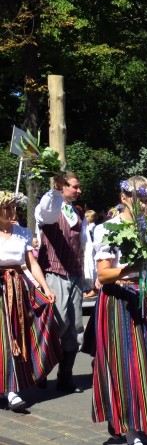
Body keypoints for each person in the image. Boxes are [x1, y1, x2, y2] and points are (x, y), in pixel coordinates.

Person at [92, 177, 147, 445]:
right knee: (126, 362)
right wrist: (129, 269)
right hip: (120, 298)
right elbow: (103, 274)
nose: (146, 203)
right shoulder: (108, 229)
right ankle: (130, 429)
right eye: (140, 197)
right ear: (124, 198)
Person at [0, 191, 60, 412]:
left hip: (18, 287)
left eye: (13, 207)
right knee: (3, 337)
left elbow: (32, 263)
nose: (11, 211)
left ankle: (13, 389)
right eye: (6, 208)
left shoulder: (22, 233)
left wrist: (45, 288)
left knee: (16, 335)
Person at [35, 171, 86, 393]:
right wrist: (54, 190)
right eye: (74, 186)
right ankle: (41, 370)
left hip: (74, 275)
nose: (78, 190)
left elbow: (84, 246)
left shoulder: (77, 212)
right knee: (56, 324)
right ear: (62, 186)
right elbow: (47, 211)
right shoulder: (49, 209)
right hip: (54, 273)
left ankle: (65, 375)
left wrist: (87, 277)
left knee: (74, 328)